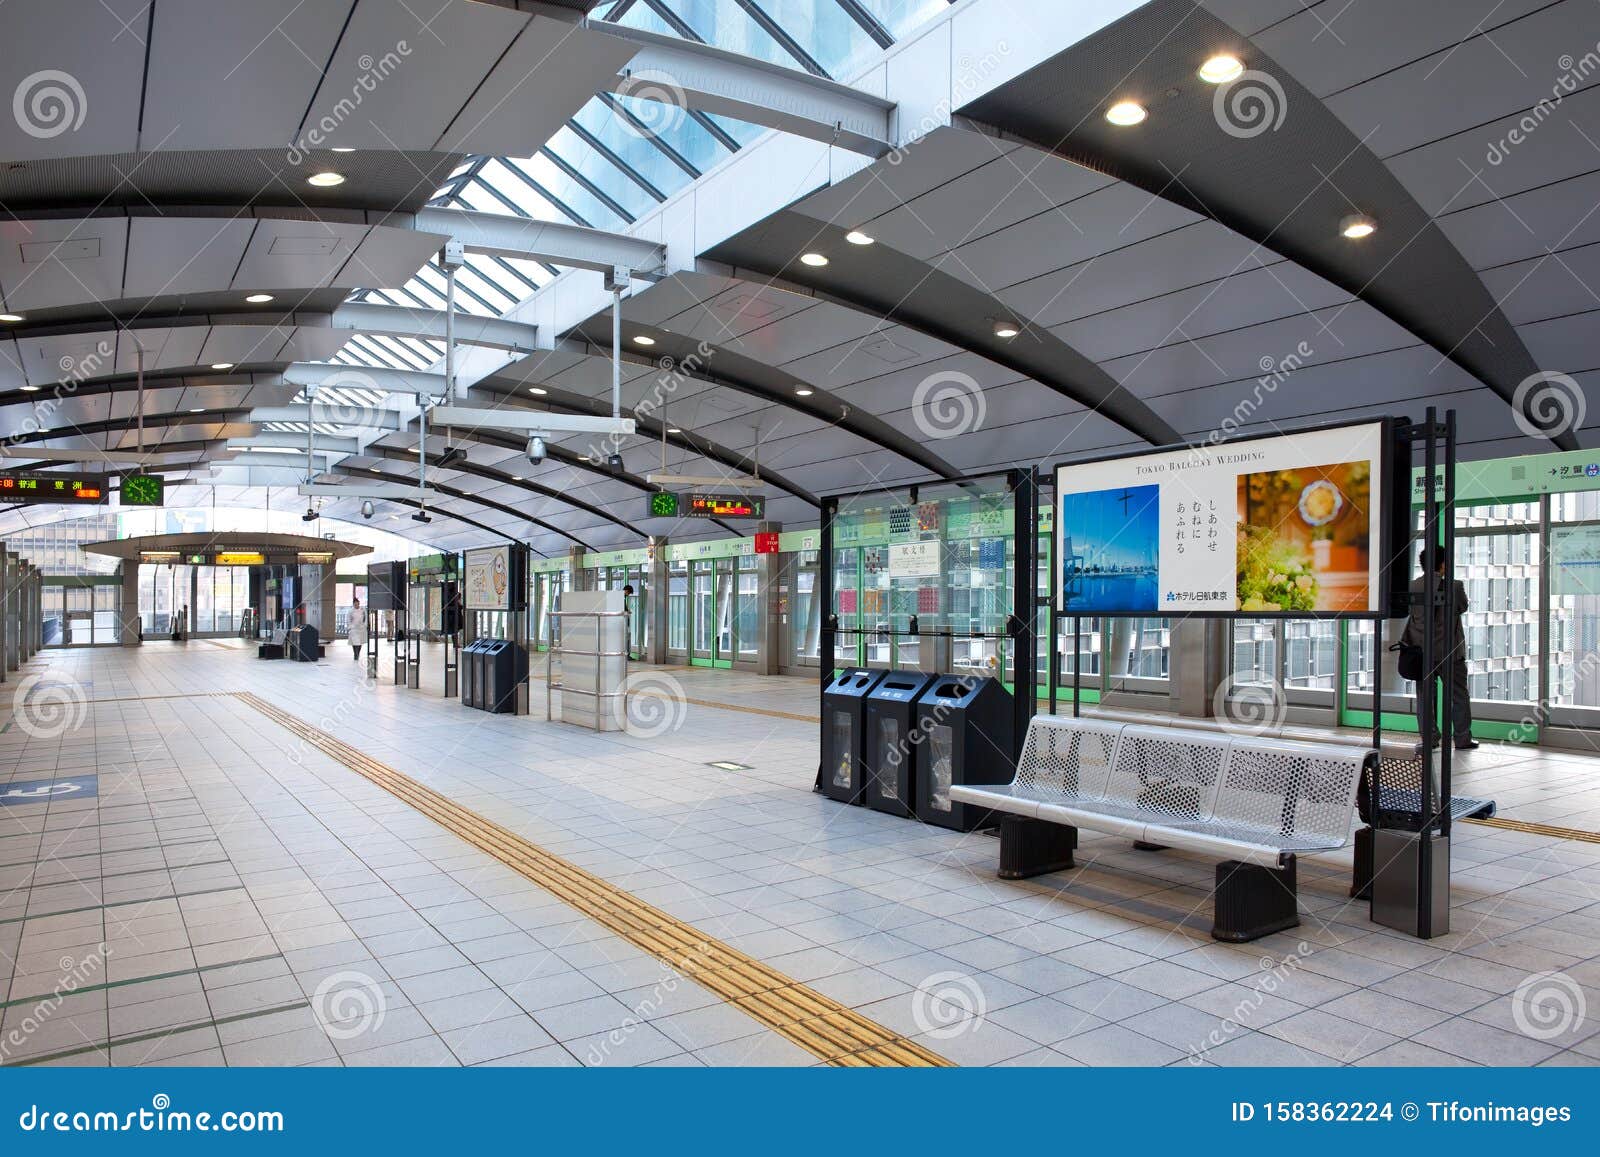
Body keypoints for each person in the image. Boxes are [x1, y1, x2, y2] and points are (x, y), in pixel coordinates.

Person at [1401, 550, 1478, 751]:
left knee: (1425, 697)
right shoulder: (1455, 586)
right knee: (1459, 695)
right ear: (1443, 564)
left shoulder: (1412, 586)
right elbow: (1461, 608)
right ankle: (1462, 739)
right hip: (1450, 652)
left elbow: (1411, 612)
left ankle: (1429, 738)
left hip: (1422, 652)